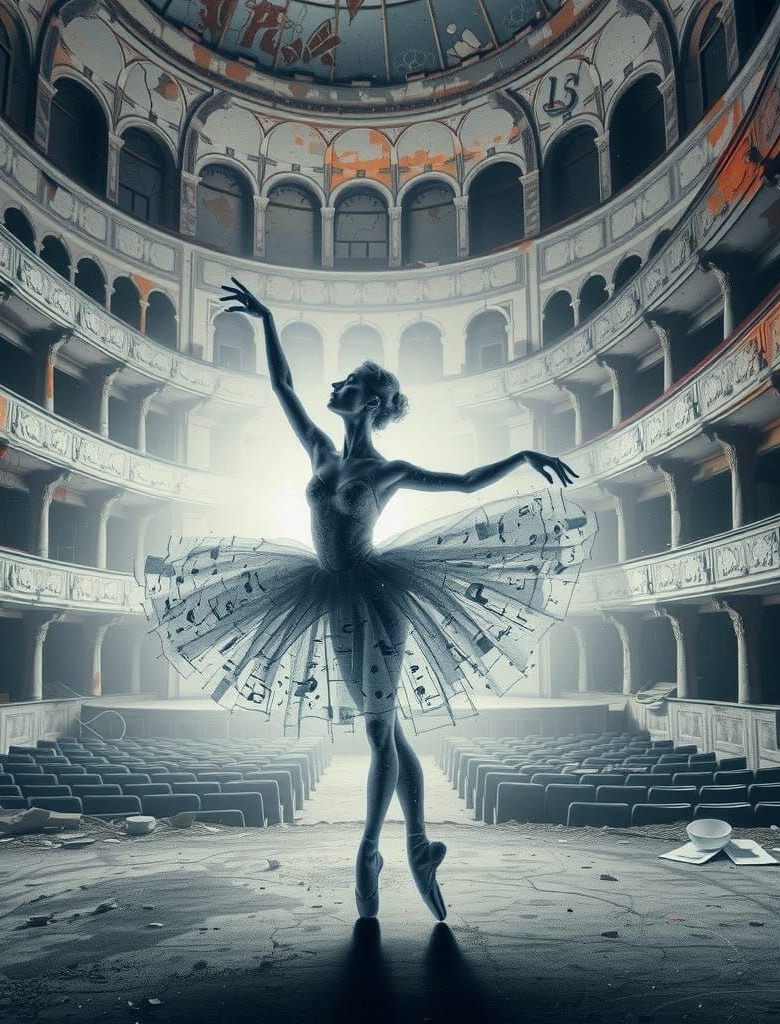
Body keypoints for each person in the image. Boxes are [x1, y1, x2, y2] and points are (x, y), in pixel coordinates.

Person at [145, 278, 594, 923]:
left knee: (379, 730)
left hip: (379, 598)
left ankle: (368, 852)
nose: (334, 388)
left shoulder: (388, 470)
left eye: (348, 382)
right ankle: (417, 847)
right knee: (387, 728)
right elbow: (283, 388)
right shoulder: (321, 453)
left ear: (373, 400)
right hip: (328, 594)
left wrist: (522, 454)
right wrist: (267, 319)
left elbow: (466, 483)